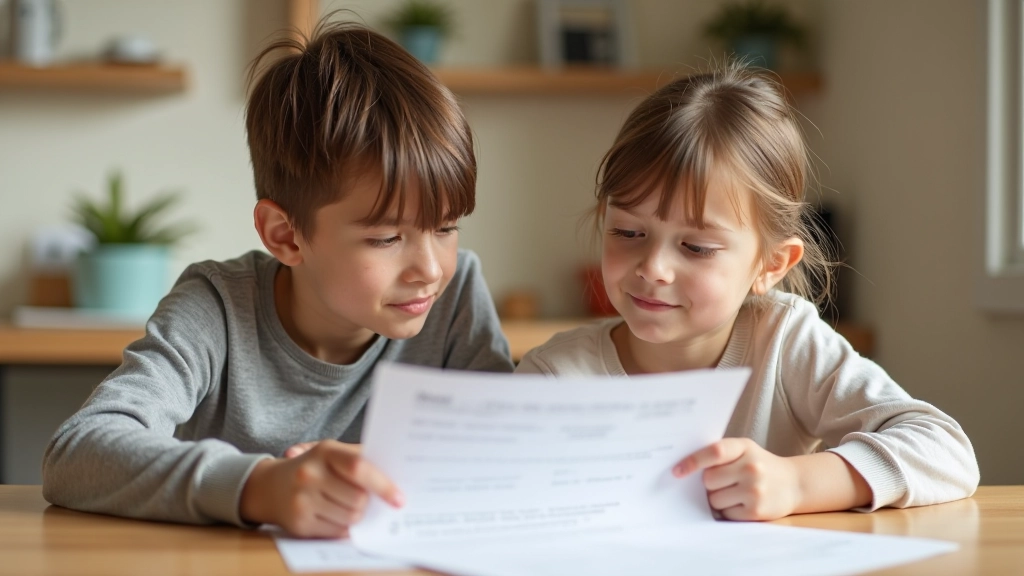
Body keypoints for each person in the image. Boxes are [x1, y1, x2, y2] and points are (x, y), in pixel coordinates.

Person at [42, 20, 513, 538]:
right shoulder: (217, 308)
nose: (430, 268)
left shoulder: (457, 291)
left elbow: (503, 451)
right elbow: (77, 451)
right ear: (286, 235)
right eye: (386, 238)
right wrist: (260, 486)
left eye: (446, 228)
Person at [515, 64, 978, 520]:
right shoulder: (555, 377)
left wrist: (797, 484)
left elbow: (944, 449)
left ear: (771, 265)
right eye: (627, 233)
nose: (653, 269)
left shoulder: (785, 341)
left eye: (696, 246)